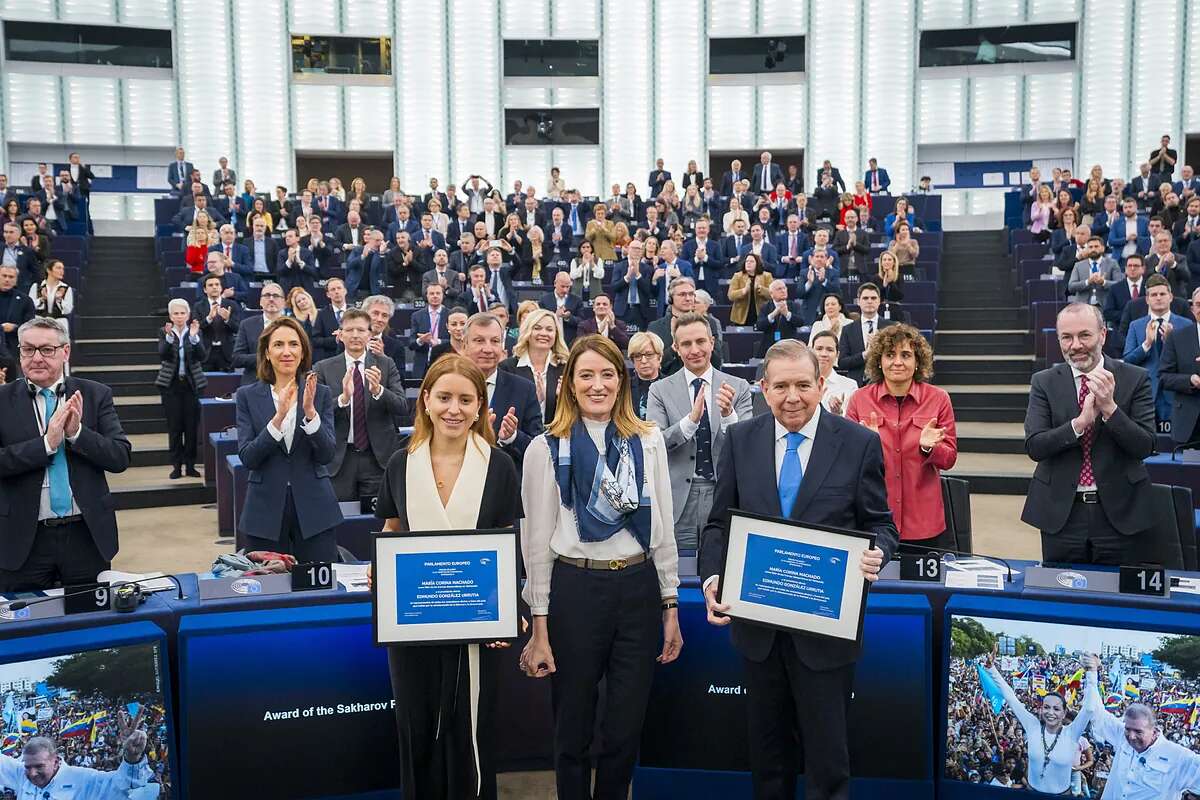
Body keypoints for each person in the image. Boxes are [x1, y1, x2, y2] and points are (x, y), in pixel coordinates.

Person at [700, 339, 896, 800]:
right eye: (781, 386)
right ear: (763, 389)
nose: (793, 397)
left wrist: (878, 554)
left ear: (821, 384)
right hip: (758, 632)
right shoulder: (739, 440)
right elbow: (716, 524)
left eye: (803, 385)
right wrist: (712, 580)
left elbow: (881, 524)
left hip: (825, 635)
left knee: (828, 762)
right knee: (768, 759)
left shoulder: (859, 443)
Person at [519, 334, 681, 800]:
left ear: (622, 381)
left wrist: (669, 604)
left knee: (626, 725)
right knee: (573, 724)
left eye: (607, 374)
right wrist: (540, 626)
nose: (597, 384)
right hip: (575, 590)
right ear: (568, 383)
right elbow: (536, 544)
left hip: (637, 588)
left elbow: (663, 528)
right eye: (585, 374)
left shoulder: (647, 440)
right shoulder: (545, 448)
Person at [373, 355, 522, 800]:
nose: (453, 409)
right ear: (425, 401)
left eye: (465, 399)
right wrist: (379, 569)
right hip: (413, 626)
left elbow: (507, 545)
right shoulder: (401, 463)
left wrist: (508, 613)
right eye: (444, 397)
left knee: (470, 733)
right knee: (416, 729)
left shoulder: (499, 466)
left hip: (477, 626)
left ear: (480, 407)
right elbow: (391, 528)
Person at [0, 317, 131, 591]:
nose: (36, 358)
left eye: (46, 350)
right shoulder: (2, 400)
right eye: (28, 349)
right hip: (22, 539)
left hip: (86, 535)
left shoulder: (96, 394)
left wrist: (77, 434)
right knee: (27, 627)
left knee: (88, 626)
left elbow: (119, 457)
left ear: (65, 352)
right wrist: (46, 444)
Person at [1022, 304, 1156, 566]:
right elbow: (1035, 446)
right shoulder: (1043, 382)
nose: (1076, 345)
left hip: (1120, 514)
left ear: (1103, 335)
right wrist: (1079, 424)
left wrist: (1110, 409)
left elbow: (1145, 446)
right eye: (1067, 337)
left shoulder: (1135, 378)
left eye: (1085, 335)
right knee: (1062, 598)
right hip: (1061, 514)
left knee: (1117, 601)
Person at [235, 316, 342, 561]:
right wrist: (279, 417)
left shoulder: (320, 394)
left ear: (303, 352)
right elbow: (249, 458)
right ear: (267, 352)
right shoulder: (246, 396)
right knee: (268, 591)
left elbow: (326, 455)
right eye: (278, 345)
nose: (287, 352)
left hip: (316, 510)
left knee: (320, 590)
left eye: (294, 344)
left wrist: (310, 414)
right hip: (264, 513)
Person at [647, 312, 752, 551]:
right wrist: (690, 422)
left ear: (712, 342)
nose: (694, 349)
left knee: (721, 569)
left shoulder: (739, 387)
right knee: (679, 574)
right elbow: (655, 443)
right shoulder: (659, 390)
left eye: (700, 341)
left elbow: (747, 444)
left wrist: (728, 416)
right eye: (686, 344)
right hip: (677, 499)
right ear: (675, 347)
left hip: (723, 493)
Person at [846, 324, 958, 546]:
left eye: (906, 355)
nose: (897, 362)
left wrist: (928, 448)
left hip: (923, 522)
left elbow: (949, 459)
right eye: (890, 355)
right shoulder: (859, 399)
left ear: (918, 362)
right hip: (873, 518)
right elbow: (846, 463)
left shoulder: (938, 399)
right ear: (879, 360)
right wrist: (866, 446)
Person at [314, 308, 406, 503]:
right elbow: (314, 413)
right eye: (349, 330)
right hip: (339, 459)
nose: (355, 335)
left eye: (361, 330)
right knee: (341, 521)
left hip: (377, 458)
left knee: (377, 523)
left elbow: (402, 407)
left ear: (370, 334)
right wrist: (342, 399)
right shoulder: (323, 367)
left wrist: (379, 391)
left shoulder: (386, 364)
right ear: (340, 335)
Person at [979, 649, 1097, 795]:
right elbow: (1011, 698)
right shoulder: (1033, 726)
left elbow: (1090, 708)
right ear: (1041, 709)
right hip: (1031, 792)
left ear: (1064, 713)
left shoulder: (1072, 733)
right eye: (1046, 707)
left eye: (1056, 709)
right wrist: (992, 669)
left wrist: (1092, 672)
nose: (1050, 713)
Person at [1081, 654, 1200, 798]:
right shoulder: (1122, 738)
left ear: (1154, 730)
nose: (1131, 736)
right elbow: (1097, 713)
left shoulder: (1179, 757)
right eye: (1127, 729)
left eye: (1138, 731)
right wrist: (1092, 672)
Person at [462, 312, 544, 467]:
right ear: (464, 344)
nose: (488, 349)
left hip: (505, 485)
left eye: (495, 341)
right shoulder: (447, 386)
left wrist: (511, 437)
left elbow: (538, 448)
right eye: (479, 341)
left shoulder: (524, 389)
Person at [1122, 274, 1192, 426]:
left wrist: (1171, 342)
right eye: (1154, 295)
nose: (1158, 298)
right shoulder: (1136, 325)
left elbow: (1190, 362)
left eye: (1162, 294)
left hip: (1176, 394)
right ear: (1147, 299)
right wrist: (1146, 343)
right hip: (1146, 393)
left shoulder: (1186, 325)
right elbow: (1127, 360)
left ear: (1171, 297)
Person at [0, 733, 152, 797]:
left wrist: (132, 758)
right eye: (27, 767)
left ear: (55, 760)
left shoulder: (83, 778)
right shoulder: (21, 774)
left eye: (39, 766)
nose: (32, 773)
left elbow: (125, 786)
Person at [155, 300, 207, 480]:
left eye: (182, 313)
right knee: (175, 428)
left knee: (191, 428)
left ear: (188, 314)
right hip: (171, 386)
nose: (179, 317)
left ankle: (191, 466)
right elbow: (162, 354)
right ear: (170, 316)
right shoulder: (164, 332)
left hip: (192, 386)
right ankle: (176, 466)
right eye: (175, 314)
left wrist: (194, 338)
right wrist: (169, 339)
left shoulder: (194, 331)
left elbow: (202, 356)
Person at [499, 308, 568, 425]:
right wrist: (534, 401)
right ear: (527, 331)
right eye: (537, 328)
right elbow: (503, 412)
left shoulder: (565, 368)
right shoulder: (507, 368)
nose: (544, 333)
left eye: (549, 329)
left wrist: (563, 399)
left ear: (556, 334)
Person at [838, 283, 895, 385]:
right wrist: (864, 355)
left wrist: (879, 349)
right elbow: (842, 362)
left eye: (873, 298)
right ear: (858, 301)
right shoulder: (848, 329)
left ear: (879, 301)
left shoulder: (891, 327)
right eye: (865, 298)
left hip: (885, 383)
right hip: (857, 385)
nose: (869, 301)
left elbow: (895, 356)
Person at [231, 281, 287, 385]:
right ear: (261, 301)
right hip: (254, 383)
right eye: (267, 295)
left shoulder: (294, 326)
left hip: (285, 383)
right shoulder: (247, 325)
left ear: (283, 302)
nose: (271, 299)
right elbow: (237, 358)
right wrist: (265, 357)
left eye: (275, 296)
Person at [810, 330, 857, 416]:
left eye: (830, 350)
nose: (824, 354)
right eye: (819, 349)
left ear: (837, 355)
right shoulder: (801, 383)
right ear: (811, 352)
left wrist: (838, 414)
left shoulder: (850, 385)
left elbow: (852, 422)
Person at [755, 279, 804, 355]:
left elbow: (801, 322)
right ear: (771, 294)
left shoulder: (794, 305)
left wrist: (787, 314)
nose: (783, 291)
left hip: (790, 346)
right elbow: (759, 325)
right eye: (779, 289)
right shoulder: (765, 307)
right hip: (769, 346)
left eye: (784, 288)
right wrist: (773, 314)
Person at [727, 253, 772, 326]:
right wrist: (743, 291)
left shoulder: (767, 276)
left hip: (761, 314)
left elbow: (772, 294)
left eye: (751, 261)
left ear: (757, 263)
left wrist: (761, 289)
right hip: (741, 316)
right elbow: (731, 296)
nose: (748, 263)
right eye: (747, 261)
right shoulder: (737, 276)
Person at [627, 332, 663, 421]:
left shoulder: (673, 385)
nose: (643, 361)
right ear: (633, 360)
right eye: (638, 356)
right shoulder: (624, 388)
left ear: (659, 357)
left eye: (649, 355)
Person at [539, 271, 584, 343]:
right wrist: (555, 316)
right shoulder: (544, 300)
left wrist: (568, 317)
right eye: (562, 286)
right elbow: (539, 321)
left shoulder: (577, 300)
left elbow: (581, 322)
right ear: (555, 283)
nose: (565, 290)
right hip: (549, 341)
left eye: (568, 287)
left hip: (570, 342)